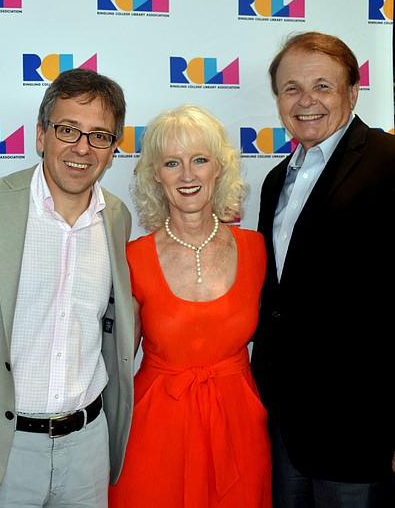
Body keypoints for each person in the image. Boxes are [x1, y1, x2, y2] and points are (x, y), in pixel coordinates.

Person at [252, 32, 395, 507]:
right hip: (284, 429)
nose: (306, 101)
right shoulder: (274, 181)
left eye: (322, 86)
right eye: (291, 89)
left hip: (364, 434)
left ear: (353, 91)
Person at [0, 68, 135, 508]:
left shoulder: (116, 217)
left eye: (99, 135)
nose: (82, 148)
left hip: (88, 445)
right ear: (41, 135)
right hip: (2, 448)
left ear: (114, 149)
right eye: (67, 130)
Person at [108, 105, 272, 507]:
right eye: (171, 163)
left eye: (199, 160)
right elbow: (114, 362)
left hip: (239, 429)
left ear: (219, 168)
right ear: (154, 175)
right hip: (154, 432)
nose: (187, 175)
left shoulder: (256, 249)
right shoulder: (132, 257)